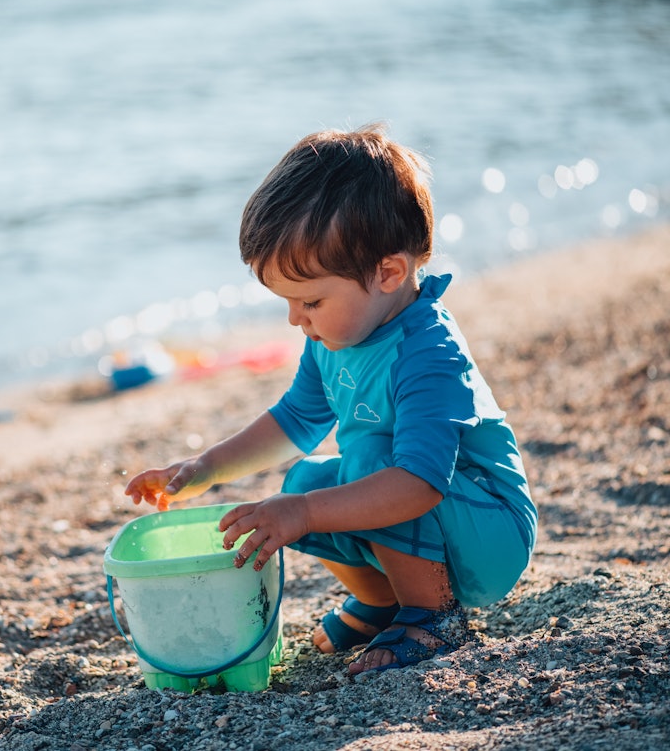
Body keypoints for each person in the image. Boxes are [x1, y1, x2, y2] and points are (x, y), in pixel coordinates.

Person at [125, 125, 538, 676]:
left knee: (354, 470)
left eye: (311, 300)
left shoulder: (426, 353)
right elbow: (295, 418)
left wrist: (305, 515)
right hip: (428, 514)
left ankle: (431, 614)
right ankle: (382, 601)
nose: (296, 319)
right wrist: (205, 468)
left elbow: (419, 482)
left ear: (388, 272)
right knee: (303, 481)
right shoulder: (335, 337)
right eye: (289, 303)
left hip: (488, 530)